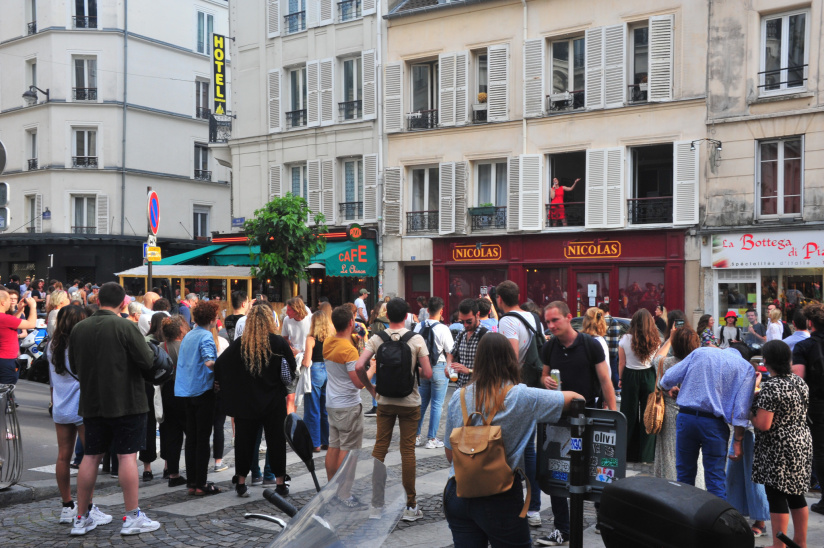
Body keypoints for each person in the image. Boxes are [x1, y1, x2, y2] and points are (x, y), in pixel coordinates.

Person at [443, 333, 581, 547]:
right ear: (510, 360)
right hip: (500, 495)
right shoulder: (521, 396)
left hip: (458, 490)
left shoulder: (458, 397)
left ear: (478, 362)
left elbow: (450, 454)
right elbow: (576, 399)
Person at [69, 282, 159, 535]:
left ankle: (81, 516)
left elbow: (75, 366)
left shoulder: (79, 328)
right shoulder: (125, 326)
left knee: (91, 456)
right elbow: (147, 360)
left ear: (98, 301)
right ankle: (132, 516)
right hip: (127, 401)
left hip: (92, 402)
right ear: (122, 304)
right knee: (127, 456)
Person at [539, 301, 616, 545]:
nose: (550, 326)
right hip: (559, 417)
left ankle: (606, 525)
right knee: (557, 471)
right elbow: (544, 374)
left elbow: (605, 381)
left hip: (589, 416)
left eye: (555, 321)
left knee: (596, 470)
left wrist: (613, 416)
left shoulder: (590, 344)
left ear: (569, 317)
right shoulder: (550, 346)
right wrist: (545, 381)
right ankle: (562, 529)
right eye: (547, 322)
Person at [355, 297, 432, 522]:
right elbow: (427, 373)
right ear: (407, 316)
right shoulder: (416, 339)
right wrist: (414, 363)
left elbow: (360, 366)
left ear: (387, 315)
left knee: (380, 448)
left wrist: (371, 389)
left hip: (385, 401)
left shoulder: (377, 338)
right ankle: (411, 505)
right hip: (410, 401)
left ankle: (376, 506)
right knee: (407, 451)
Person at [215, 306, 295, 498]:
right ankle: (280, 482)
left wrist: (230, 388)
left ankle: (241, 482)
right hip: (273, 401)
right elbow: (289, 371)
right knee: (276, 441)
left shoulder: (241, 344)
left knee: (244, 442)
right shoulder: (277, 343)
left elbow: (220, 365)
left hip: (246, 402)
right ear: (270, 321)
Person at [660, 346, 757, 499]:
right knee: (715, 480)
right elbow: (741, 411)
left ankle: (684, 518)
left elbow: (667, 378)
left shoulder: (701, 352)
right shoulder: (746, 368)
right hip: (714, 425)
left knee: (684, 476)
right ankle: (716, 520)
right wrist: (738, 441)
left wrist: (667, 388)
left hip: (687, 418)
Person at [47, 305, 105, 526]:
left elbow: (52, 379)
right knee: (90, 458)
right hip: (82, 406)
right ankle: (87, 506)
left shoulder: (52, 346)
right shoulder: (83, 345)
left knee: (63, 456)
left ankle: (67, 505)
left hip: (61, 405)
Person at [752, 340, 812, 548]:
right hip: (801, 441)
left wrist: (750, 414)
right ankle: (800, 543)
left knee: (776, 494)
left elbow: (763, 424)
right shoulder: (799, 382)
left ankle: (779, 545)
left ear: (766, 360)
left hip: (779, 446)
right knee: (796, 494)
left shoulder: (771, 387)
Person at [495, 280, 544, 526]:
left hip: (515, 387)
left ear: (499, 300)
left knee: (512, 446)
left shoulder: (507, 320)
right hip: (534, 385)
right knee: (529, 448)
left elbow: (511, 356)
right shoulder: (533, 317)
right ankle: (533, 506)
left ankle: (522, 505)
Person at [722, 342, 770, 539]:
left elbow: (743, 410)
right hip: (741, 430)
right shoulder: (740, 372)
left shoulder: (748, 374)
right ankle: (738, 514)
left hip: (748, 431)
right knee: (735, 475)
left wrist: (738, 441)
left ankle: (760, 520)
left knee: (753, 477)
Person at [175, 300, 221, 496]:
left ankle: (192, 481)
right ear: (211, 319)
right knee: (203, 438)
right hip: (203, 391)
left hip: (186, 391)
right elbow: (210, 362)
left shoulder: (188, 336)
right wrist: (223, 369)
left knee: (191, 438)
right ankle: (201, 482)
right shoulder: (206, 337)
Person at [323, 306, 368, 505]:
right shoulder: (348, 350)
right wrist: (372, 369)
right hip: (348, 404)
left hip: (332, 402)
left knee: (334, 446)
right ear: (351, 323)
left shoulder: (328, 342)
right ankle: (344, 493)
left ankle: (332, 488)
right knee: (349, 452)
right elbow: (358, 382)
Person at [652, 325, 703, 486]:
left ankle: (668, 487)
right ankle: (697, 487)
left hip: (669, 416)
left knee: (668, 454)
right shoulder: (698, 364)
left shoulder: (666, 364)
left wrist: (670, 338)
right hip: (693, 416)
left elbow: (656, 358)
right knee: (695, 456)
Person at [791, 302, 824, 516]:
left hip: (817, 405)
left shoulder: (805, 347)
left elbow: (798, 379)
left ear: (810, 323)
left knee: (820, 451)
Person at [619, 308, 659, 463]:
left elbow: (621, 362)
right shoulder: (655, 339)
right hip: (649, 375)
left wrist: (620, 379)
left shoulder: (625, 339)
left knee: (628, 413)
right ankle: (647, 454)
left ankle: (628, 453)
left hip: (630, 375)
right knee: (648, 415)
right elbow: (656, 361)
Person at [413, 297, 454, 449]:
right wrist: (448, 368)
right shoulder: (443, 329)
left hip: (423, 368)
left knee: (422, 403)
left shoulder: (418, 327)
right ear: (441, 311)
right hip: (439, 366)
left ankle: (416, 436)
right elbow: (450, 350)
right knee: (437, 404)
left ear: (427, 310)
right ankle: (431, 438)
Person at [158, 316, 188, 488]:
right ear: (180, 330)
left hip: (167, 392)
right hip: (185, 391)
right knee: (191, 433)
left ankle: (173, 473)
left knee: (171, 435)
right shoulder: (185, 346)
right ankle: (193, 471)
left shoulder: (161, 348)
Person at [302, 311, 332, 451]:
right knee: (325, 409)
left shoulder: (311, 339)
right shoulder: (331, 338)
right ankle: (326, 441)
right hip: (328, 371)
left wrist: (300, 359)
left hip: (315, 371)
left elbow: (307, 362)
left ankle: (315, 443)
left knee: (312, 409)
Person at [446, 298, 489, 390]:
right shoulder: (462, 333)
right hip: (460, 389)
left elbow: (492, 370)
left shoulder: (486, 336)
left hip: (479, 390)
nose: (465, 325)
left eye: (469, 321)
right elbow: (452, 353)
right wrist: (449, 365)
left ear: (477, 315)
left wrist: (468, 371)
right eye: (462, 321)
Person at [0, 291, 37, 384]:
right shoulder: (4, 318)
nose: (11, 302)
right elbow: (31, 324)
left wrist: (19, 311)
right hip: (6, 360)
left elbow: (12, 324)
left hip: (4, 359)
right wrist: (33, 306)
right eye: (9, 299)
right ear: (3, 302)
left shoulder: (5, 319)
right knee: (5, 392)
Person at [282, 297, 311, 415]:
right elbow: (285, 338)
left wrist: (303, 352)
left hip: (307, 358)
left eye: (289, 310)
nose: (287, 312)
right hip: (292, 360)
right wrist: (290, 348)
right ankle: (289, 423)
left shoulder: (310, 319)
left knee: (306, 395)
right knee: (290, 396)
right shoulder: (286, 320)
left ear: (297, 310)